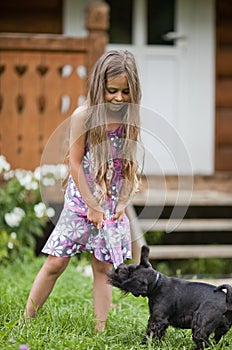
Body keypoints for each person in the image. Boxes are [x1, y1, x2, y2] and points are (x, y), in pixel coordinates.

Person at [24, 50, 143, 332]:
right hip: (82, 201)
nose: (118, 97)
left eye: (126, 91)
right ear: (98, 86)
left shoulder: (129, 118)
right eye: (111, 90)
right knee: (56, 262)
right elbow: (74, 162)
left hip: (111, 203)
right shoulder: (84, 116)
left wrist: (122, 201)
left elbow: (128, 164)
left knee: (103, 268)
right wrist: (91, 204)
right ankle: (25, 321)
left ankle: (100, 330)